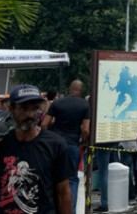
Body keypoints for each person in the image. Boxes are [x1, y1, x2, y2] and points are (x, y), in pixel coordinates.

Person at [0, 84, 75, 213]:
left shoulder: (55, 145)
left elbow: (63, 192)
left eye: (35, 108)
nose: (30, 114)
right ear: (11, 109)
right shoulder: (1, 143)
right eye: (23, 108)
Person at [42, 79, 90, 212]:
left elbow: (45, 124)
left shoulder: (57, 103)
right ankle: (71, 210)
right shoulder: (84, 105)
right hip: (72, 145)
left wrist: (47, 139)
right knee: (72, 179)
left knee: (53, 177)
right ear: (81, 91)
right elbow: (86, 129)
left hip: (54, 145)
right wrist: (82, 141)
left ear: (70, 89)